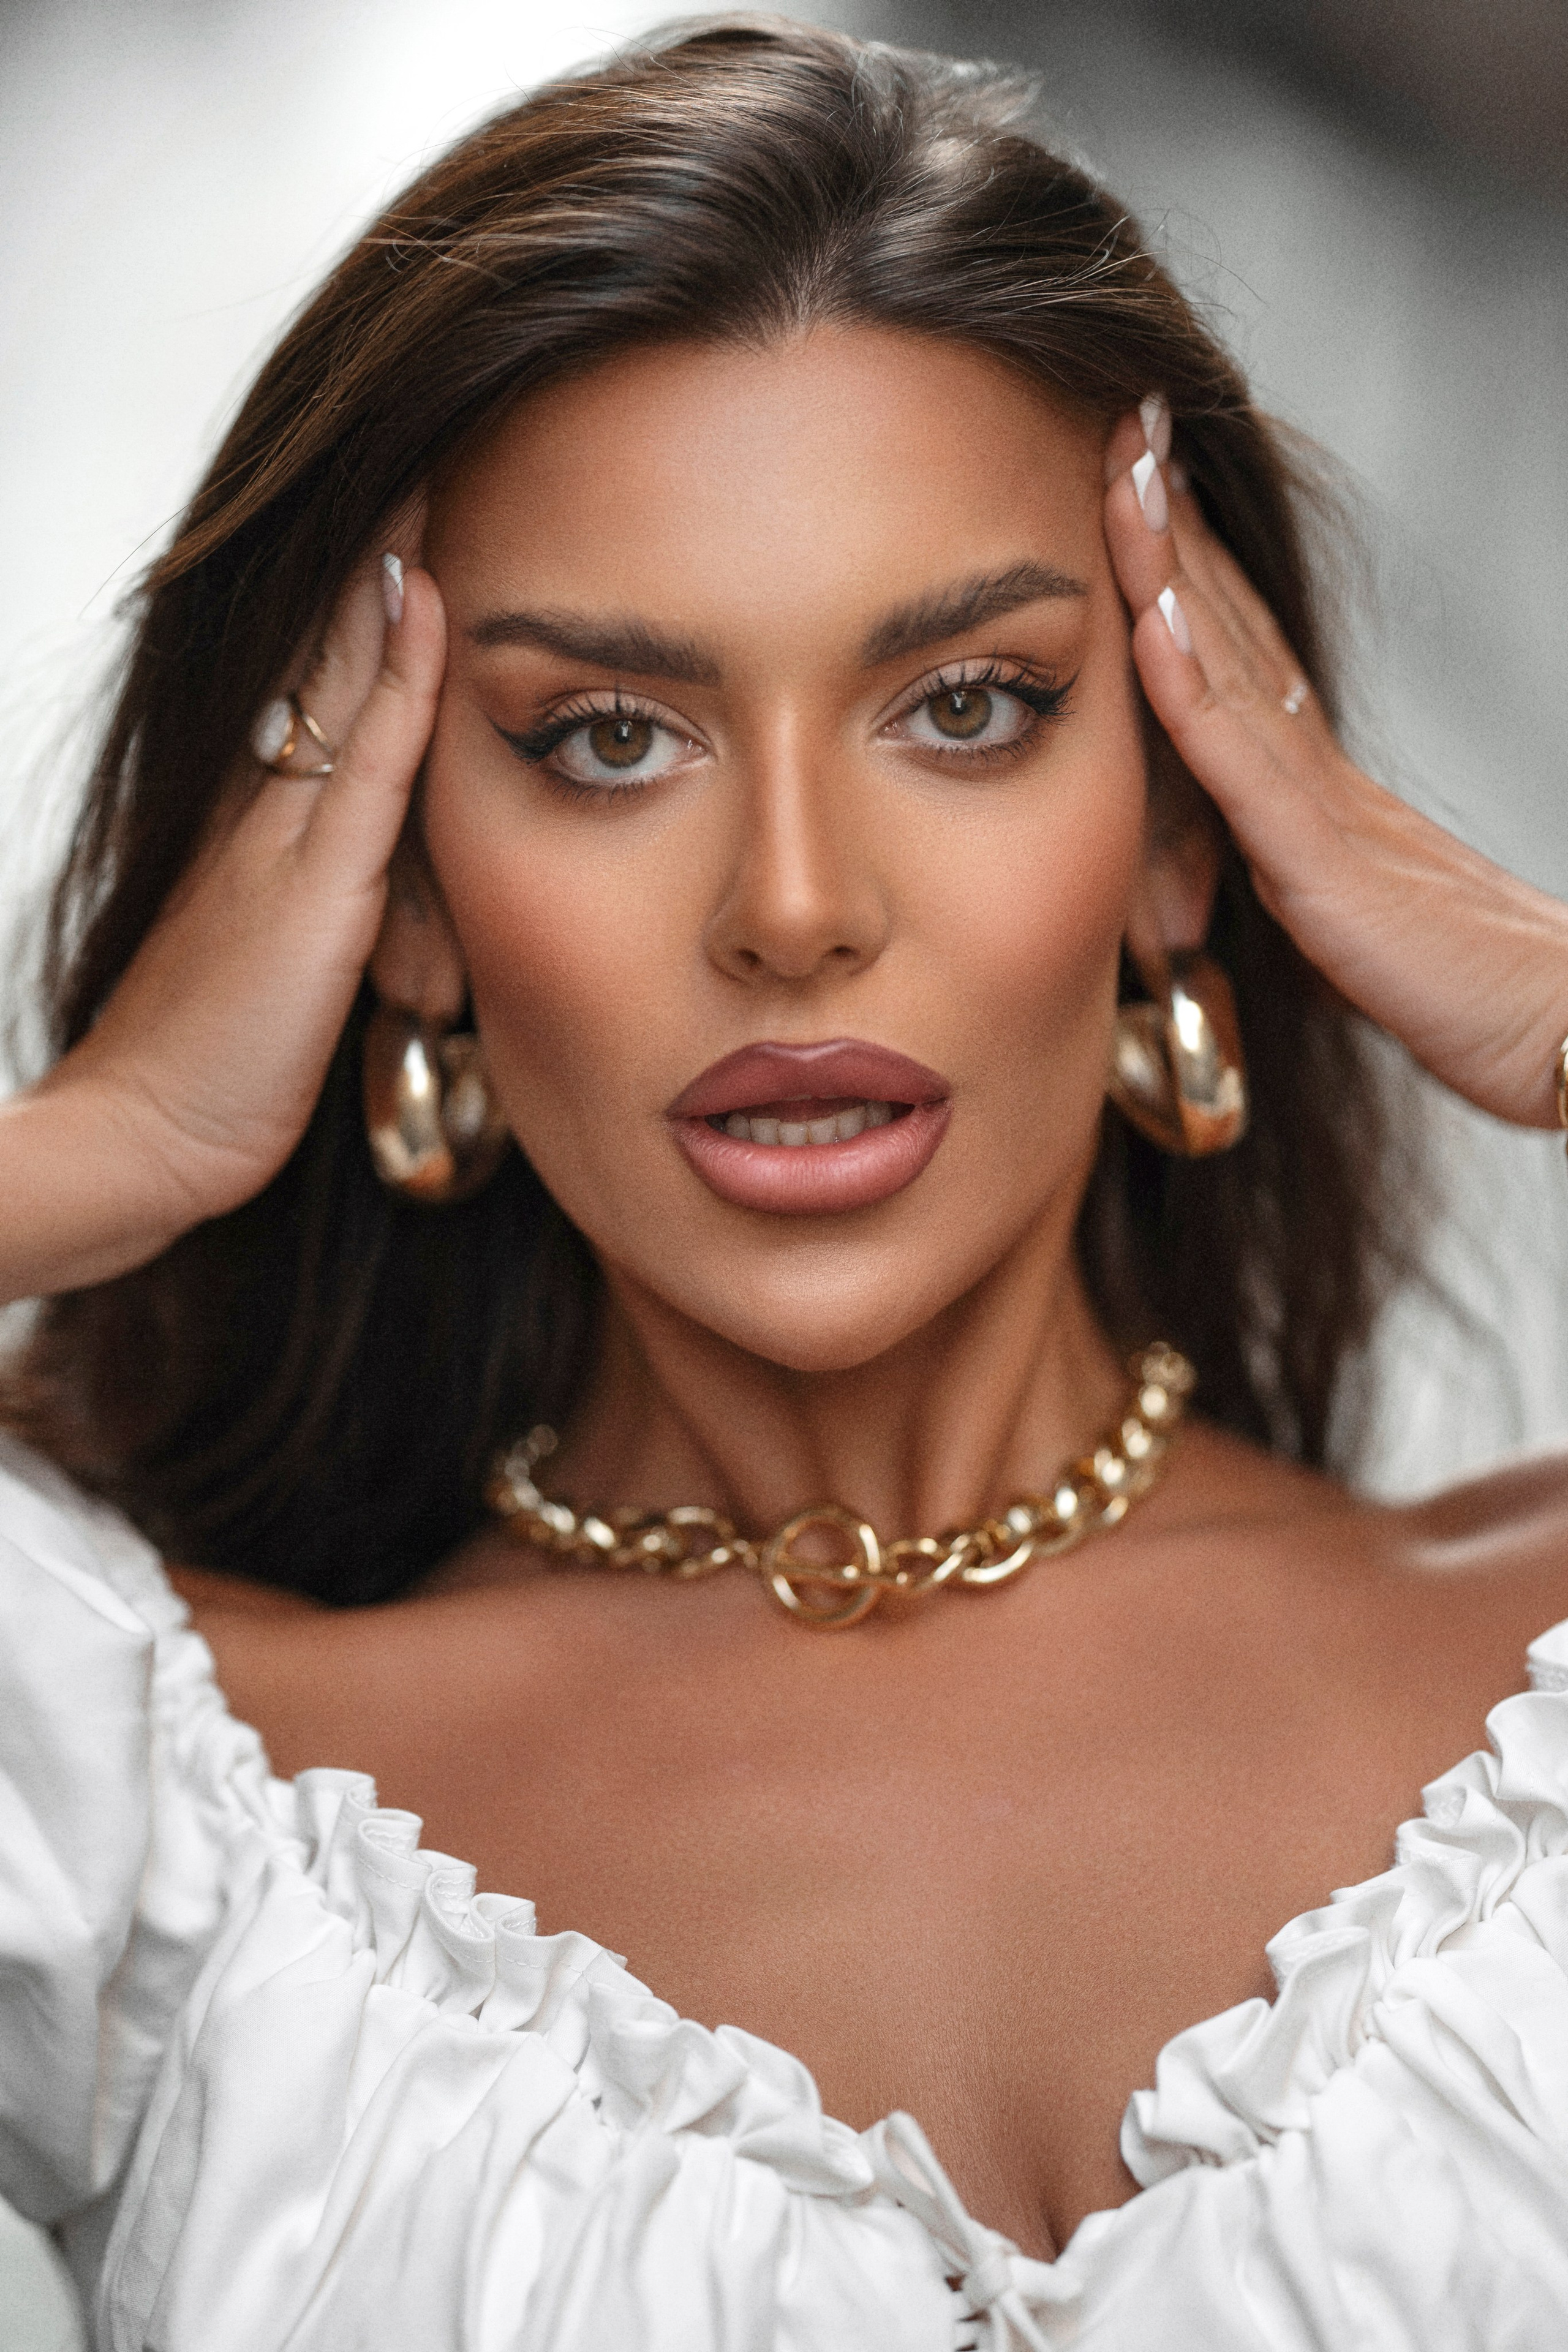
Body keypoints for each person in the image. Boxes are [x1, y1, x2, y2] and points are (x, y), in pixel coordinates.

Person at [2, 17, 1567, 2346]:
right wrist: (105, 1147)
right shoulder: (143, 1812)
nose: (798, 905)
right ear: (403, 899)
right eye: (608, 740)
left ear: (1183, 827)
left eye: (969, 705)